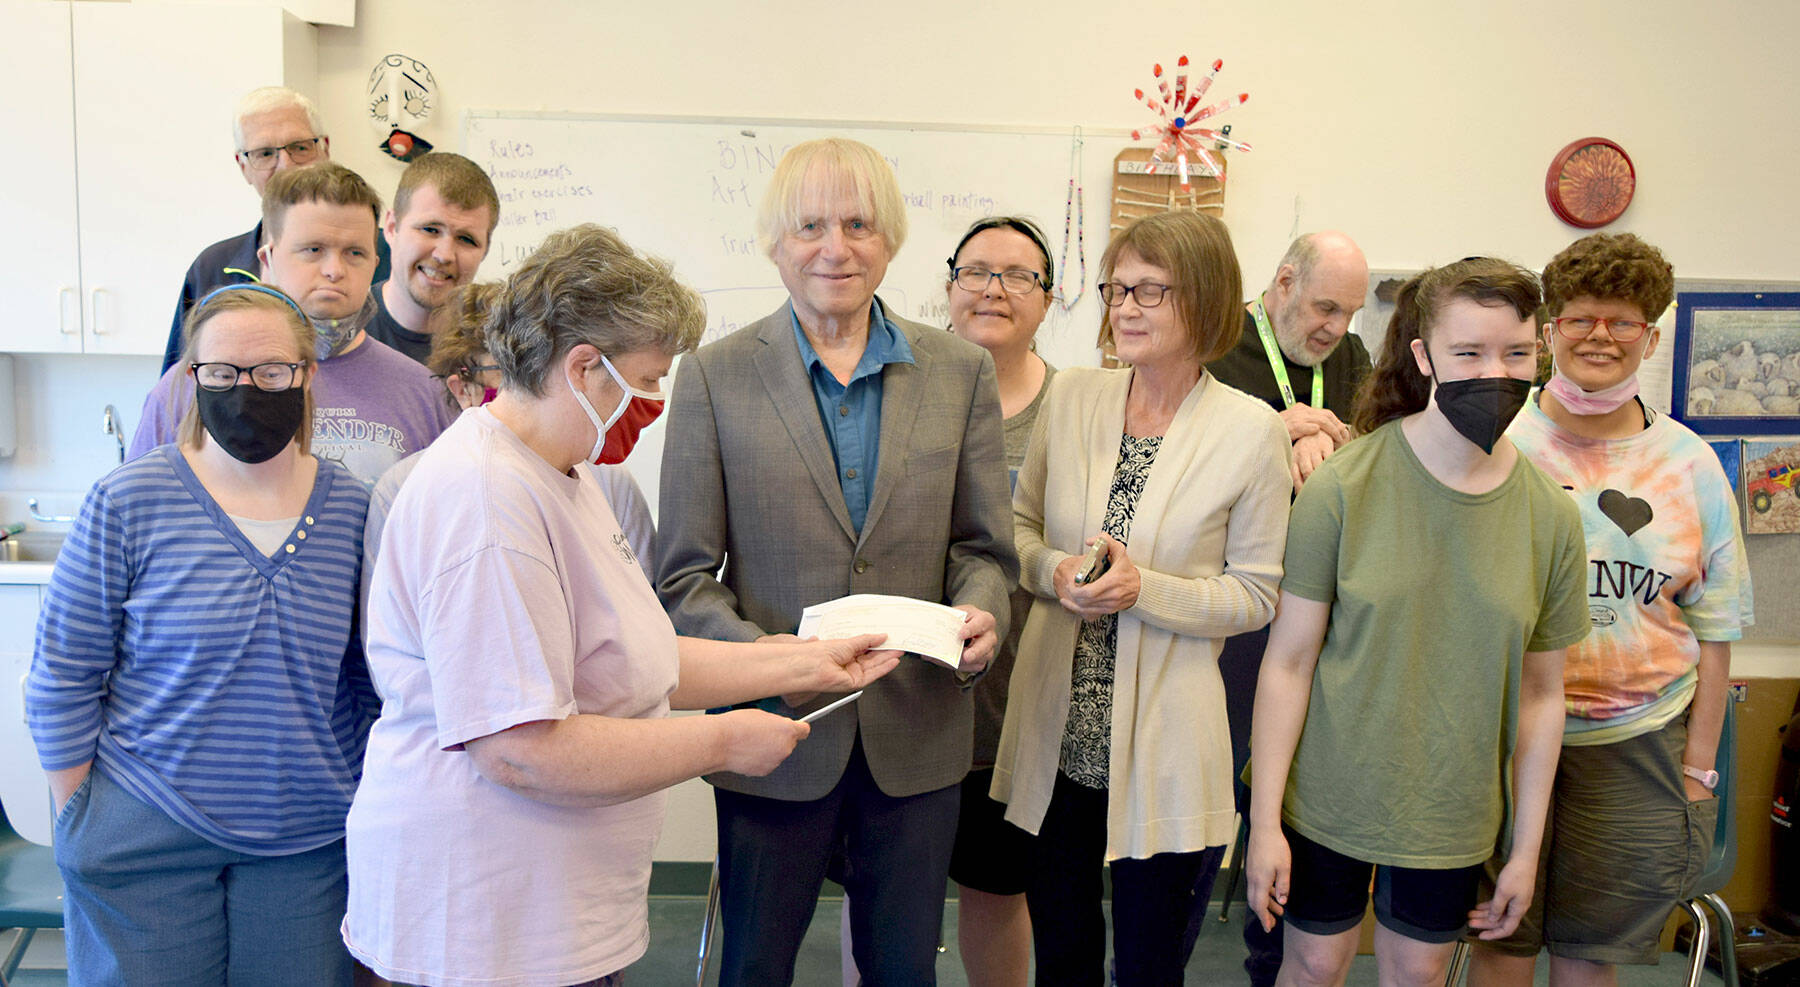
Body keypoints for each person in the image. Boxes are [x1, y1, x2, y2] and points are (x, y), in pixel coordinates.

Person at [340, 224, 903, 987]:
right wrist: (724, 744)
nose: (656, 400)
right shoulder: (484, 499)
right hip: (485, 918)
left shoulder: (562, 472)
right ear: (582, 367)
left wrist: (805, 660)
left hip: (551, 905)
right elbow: (518, 747)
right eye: (647, 378)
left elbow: (640, 657)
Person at [656, 137, 1016, 987]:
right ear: (775, 242)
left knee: (903, 971)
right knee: (756, 967)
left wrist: (984, 610)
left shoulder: (961, 372)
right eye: (810, 224)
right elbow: (683, 577)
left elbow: (983, 547)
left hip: (917, 731)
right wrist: (784, 666)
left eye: (858, 224)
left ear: (889, 240)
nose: (835, 246)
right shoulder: (713, 377)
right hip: (774, 732)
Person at [1245, 257, 1590, 987]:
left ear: (1540, 354)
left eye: (1516, 353)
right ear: (1425, 356)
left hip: (1452, 811)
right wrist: (1266, 822)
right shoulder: (1342, 487)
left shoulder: (1552, 517)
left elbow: (1541, 694)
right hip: (1328, 797)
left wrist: (1524, 849)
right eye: (1469, 352)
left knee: (1419, 975)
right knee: (1311, 965)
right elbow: (1288, 662)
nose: (1495, 371)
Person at [28, 284, 372, 985]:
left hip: (305, 843)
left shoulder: (354, 511)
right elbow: (63, 671)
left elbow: (367, 681)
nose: (246, 388)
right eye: (222, 372)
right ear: (192, 379)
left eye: (271, 370)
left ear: (307, 375)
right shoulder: (128, 500)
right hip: (141, 833)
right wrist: (80, 819)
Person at [991, 209, 1293, 985]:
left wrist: (1144, 590)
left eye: (1150, 291)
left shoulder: (1250, 429)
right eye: (1116, 288)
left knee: (1150, 963)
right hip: (1057, 734)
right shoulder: (1073, 397)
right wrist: (1054, 570)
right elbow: (1019, 528)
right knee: (1061, 948)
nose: (1123, 307)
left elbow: (1257, 595)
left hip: (1166, 740)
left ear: (1206, 298)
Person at [1467, 234, 1752, 985]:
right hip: (1501, 729)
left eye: (1623, 322)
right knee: (1499, 934)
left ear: (1651, 335)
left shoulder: (1691, 464)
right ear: (1551, 328)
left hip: (1637, 739)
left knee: (1591, 955)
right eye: (1582, 318)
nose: (1601, 335)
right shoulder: (1498, 440)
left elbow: (1716, 634)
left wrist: (1699, 772)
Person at [1203, 230, 1373, 985]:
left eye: (1350, 311)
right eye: (1324, 306)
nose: (1334, 327)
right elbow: (1177, 456)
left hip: (1317, 612)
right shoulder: (1216, 342)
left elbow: (1378, 451)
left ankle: (1271, 964)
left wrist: (1339, 438)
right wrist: (1273, 436)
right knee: (1219, 794)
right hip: (1229, 611)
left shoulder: (1352, 358)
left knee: (1292, 803)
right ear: (1281, 282)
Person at [131, 163, 456, 485]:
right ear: (267, 261)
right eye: (313, 250)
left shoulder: (425, 394)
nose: (334, 270)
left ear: (374, 264)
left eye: (354, 253)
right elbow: (136, 514)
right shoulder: (197, 385)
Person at [941, 216, 1058, 987]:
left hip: (1014, 701)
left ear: (1048, 300)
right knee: (887, 895)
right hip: (907, 692)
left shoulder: (1075, 408)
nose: (993, 288)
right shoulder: (909, 389)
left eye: (1017, 275)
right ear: (949, 287)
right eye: (976, 270)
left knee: (996, 886)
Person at [363, 281, 656, 583]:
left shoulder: (607, 478)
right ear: (462, 389)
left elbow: (647, 604)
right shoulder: (402, 489)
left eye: (531, 367)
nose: (522, 385)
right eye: (506, 373)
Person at [161, 86, 389, 373]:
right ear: (243, 166)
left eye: (300, 147)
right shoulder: (213, 268)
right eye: (265, 153)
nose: (286, 165)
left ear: (325, 149)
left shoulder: (388, 256)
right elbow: (181, 386)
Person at [366, 152, 501, 364]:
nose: (444, 255)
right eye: (430, 229)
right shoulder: (340, 335)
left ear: (484, 250)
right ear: (392, 228)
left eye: (466, 239)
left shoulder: (500, 353)